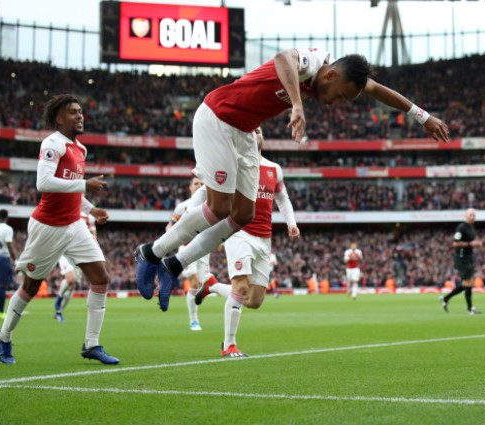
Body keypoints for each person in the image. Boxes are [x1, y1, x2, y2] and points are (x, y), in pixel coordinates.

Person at [135, 48, 449, 312]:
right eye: (338, 96)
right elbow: (283, 58)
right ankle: (151, 253)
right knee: (219, 207)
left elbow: (377, 90)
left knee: (244, 213)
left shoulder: (334, 79)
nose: (334, 104)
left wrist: (422, 116)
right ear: (330, 75)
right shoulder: (312, 63)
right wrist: (297, 104)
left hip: (244, 130)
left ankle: (174, 265)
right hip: (217, 117)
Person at [0, 94, 119, 365]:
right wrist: (85, 184)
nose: (80, 116)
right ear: (59, 118)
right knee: (30, 286)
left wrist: (90, 209)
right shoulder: (52, 144)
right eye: (73, 112)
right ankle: (3, 337)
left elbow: (70, 187)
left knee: (100, 277)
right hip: (47, 226)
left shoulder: (80, 149)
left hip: (74, 223)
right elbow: (44, 182)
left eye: (81, 111)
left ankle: (91, 344)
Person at [195, 126, 300, 357]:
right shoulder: (236, 164)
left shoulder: (274, 169)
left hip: (264, 238)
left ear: (263, 137)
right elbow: (210, 193)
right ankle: (228, 345)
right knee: (241, 286)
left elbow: (283, 199)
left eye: (259, 130)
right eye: (251, 130)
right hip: (238, 232)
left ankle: (212, 285)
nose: (255, 133)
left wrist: (291, 223)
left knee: (254, 300)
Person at [166, 176, 210, 330]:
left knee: (200, 285)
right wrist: (172, 236)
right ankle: (194, 321)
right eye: (196, 183)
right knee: (194, 281)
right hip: (187, 249)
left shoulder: (211, 205)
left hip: (205, 250)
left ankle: (195, 318)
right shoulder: (183, 206)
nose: (199, 186)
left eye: (202, 184)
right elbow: (170, 225)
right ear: (190, 187)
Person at [54, 212, 96, 323]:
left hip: (79, 253)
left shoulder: (89, 216)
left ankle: (59, 312)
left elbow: (93, 234)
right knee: (71, 279)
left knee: (72, 286)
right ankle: (58, 300)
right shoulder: (68, 209)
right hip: (65, 250)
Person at [440, 208, 483, 315]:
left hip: (468, 256)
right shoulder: (461, 227)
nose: (472, 217)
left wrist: (476, 243)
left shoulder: (471, 228)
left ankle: (446, 298)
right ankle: (470, 308)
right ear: (466, 216)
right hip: (461, 257)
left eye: (473, 215)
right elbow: (455, 243)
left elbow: (470, 241)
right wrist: (470, 244)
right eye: (470, 215)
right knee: (468, 282)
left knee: (467, 283)